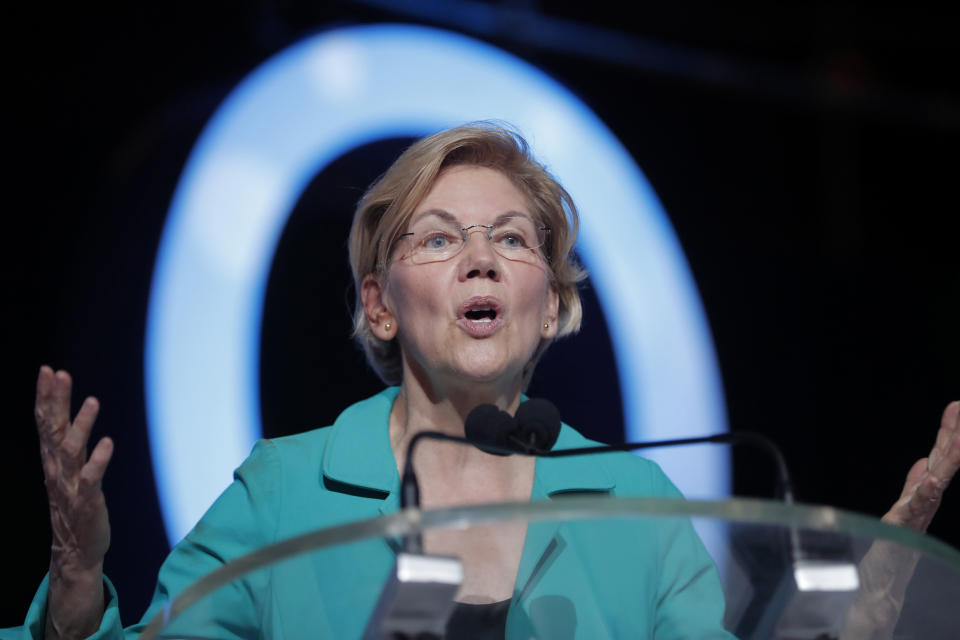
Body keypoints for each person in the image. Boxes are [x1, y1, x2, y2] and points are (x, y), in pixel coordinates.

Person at [11, 123, 960, 639]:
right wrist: (79, 585)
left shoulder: (633, 501)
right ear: (380, 304)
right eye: (439, 238)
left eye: (513, 239)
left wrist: (864, 615)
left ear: (550, 305)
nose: (482, 259)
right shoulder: (288, 491)